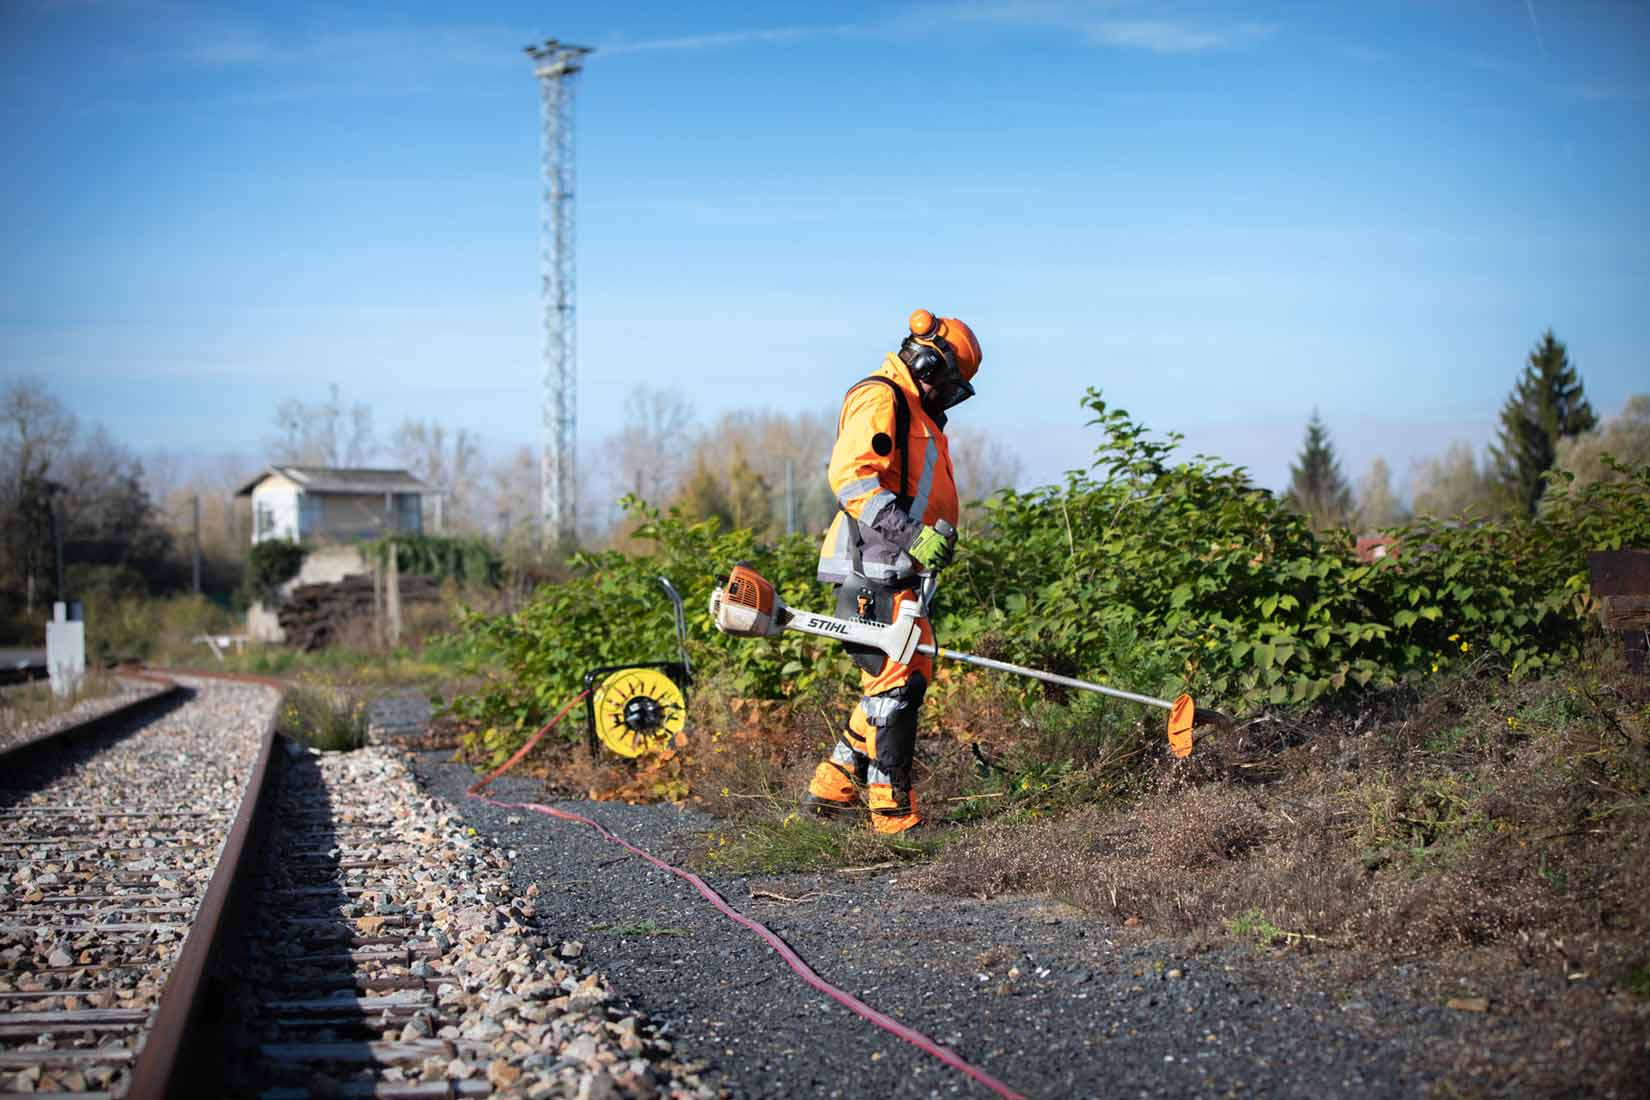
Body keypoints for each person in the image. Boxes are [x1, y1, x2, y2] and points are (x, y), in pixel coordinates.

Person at [803, 309, 982, 834]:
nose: (948, 397)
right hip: (874, 564)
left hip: (902, 565)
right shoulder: (882, 397)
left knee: (905, 672)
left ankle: (832, 786)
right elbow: (852, 478)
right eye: (950, 385)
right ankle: (891, 813)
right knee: (897, 682)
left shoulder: (913, 409)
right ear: (929, 362)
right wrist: (914, 535)